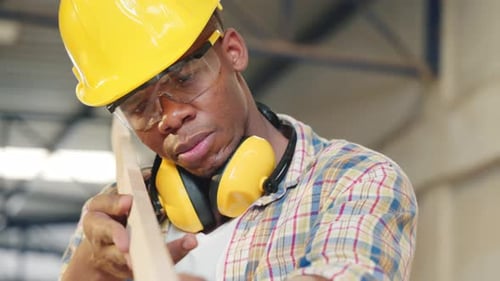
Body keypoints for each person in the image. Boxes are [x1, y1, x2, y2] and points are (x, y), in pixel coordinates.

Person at [57, 0, 418, 280]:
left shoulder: (354, 180)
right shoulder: (117, 216)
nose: (170, 117)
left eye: (184, 79)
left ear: (233, 52)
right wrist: (92, 269)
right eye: (139, 106)